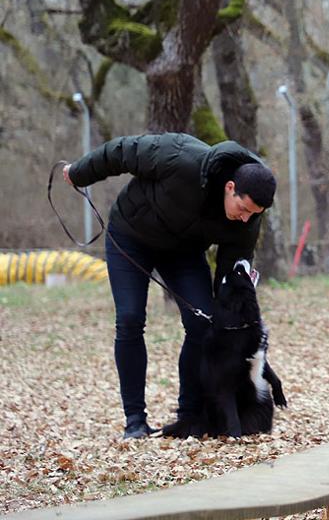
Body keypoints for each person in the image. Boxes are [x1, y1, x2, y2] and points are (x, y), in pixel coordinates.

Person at [63, 133, 276, 439]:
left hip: (183, 252)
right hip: (130, 235)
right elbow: (123, 151)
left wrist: (233, 328)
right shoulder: (180, 158)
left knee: (203, 323)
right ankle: (135, 420)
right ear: (230, 188)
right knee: (130, 318)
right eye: (243, 209)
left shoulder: (248, 221)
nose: (245, 220)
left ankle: (190, 417)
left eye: (253, 215)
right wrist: (79, 173)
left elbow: (231, 280)